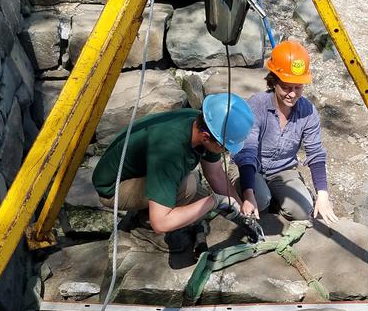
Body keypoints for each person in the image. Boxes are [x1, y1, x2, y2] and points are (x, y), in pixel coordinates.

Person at [92, 93, 254, 235]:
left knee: (197, 197)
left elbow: (216, 173)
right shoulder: (171, 151)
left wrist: (241, 209)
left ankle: (157, 206)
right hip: (115, 189)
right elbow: (160, 223)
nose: (226, 151)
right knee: (189, 185)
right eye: (225, 148)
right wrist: (215, 201)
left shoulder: (207, 125)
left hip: (142, 171)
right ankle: (144, 223)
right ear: (206, 137)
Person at [233, 40, 339, 223]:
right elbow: (247, 151)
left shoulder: (308, 111)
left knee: (303, 210)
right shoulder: (257, 105)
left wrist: (322, 194)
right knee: (259, 200)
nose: (292, 94)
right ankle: (257, 198)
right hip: (250, 166)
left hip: (283, 169)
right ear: (274, 82)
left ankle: (276, 201)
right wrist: (248, 193)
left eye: (298, 87)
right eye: (286, 87)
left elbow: (315, 153)